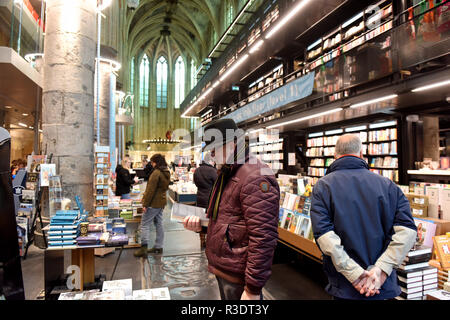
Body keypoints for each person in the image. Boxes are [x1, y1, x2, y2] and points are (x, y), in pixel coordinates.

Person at [310, 134, 417, 300]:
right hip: (382, 285)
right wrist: (381, 270)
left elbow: (324, 236)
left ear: (335, 156)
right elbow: (408, 231)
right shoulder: (388, 185)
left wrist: (355, 274)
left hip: (345, 285)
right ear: (362, 154)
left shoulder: (323, 187)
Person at [183, 119, 280, 300]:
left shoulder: (255, 175)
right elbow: (228, 218)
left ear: (232, 143)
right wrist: (203, 226)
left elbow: (263, 237)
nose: (211, 155)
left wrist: (252, 289)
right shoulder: (228, 171)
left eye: (214, 149)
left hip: (239, 275)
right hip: (227, 268)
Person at [134, 153, 171, 258]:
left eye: (152, 162)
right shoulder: (166, 172)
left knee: (144, 224)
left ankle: (143, 248)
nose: (152, 164)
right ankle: (158, 246)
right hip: (161, 202)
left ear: (156, 162)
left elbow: (150, 190)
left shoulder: (156, 173)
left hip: (153, 203)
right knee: (159, 223)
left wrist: (145, 204)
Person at [193, 153, 218, 249]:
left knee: (201, 220)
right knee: (210, 220)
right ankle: (209, 241)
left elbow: (195, 182)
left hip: (200, 197)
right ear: (211, 160)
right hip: (210, 198)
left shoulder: (197, 170)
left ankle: (202, 241)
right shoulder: (213, 171)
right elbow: (217, 184)